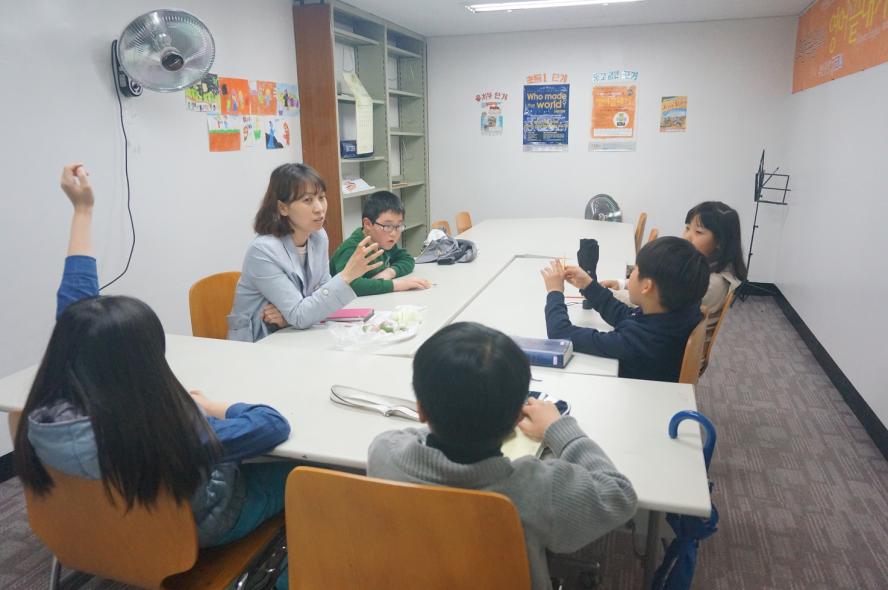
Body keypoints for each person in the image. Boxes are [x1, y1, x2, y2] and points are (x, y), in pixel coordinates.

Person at [14, 164, 293, 587]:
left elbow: (76, 303)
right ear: (142, 363)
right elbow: (271, 425)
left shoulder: (49, 408)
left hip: (92, 532)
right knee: (304, 475)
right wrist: (213, 406)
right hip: (202, 525)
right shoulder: (166, 432)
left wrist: (82, 211)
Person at [367, 322, 637, 590]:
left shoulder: (384, 453)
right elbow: (619, 495)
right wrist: (558, 428)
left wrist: (450, 414)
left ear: (420, 410)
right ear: (518, 419)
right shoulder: (538, 489)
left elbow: (412, 435)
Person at [227, 163, 383, 342]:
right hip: (259, 343)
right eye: (307, 200)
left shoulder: (318, 236)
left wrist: (289, 317)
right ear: (283, 208)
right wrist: (347, 275)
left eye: (321, 197)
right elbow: (302, 314)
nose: (319, 208)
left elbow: (320, 299)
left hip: (296, 334)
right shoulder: (262, 251)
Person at [601, 202, 746, 371]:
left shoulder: (711, 283)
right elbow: (660, 280)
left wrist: (610, 293)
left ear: (720, 242)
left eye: (698, 232)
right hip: (670, 339)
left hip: (673, 354)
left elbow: (653, 302)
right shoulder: (701, 268)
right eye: (687, 228)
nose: (687, 237)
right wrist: (623, 284)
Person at [542, 237, 710, 382]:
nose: (630, 275)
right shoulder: (675, 313)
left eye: (635, 270)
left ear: (646, 287)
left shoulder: (639, 341)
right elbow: (626, 316)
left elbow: (560, 333)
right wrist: (588, 285)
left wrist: (555, 292)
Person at [329, 191, 430, 296]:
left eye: (398, 226)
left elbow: (407, 259)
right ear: (368, 224)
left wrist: (389, 272)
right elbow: (349, 285)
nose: (394, 233)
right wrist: (396, 285)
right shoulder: (352, 248)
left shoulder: (382, 241)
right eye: (387, 226)